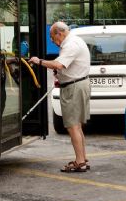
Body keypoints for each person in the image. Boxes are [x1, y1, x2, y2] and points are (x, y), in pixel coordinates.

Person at [29, 21, 91, 173]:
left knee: (72, 126)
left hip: (73, 87)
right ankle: (82, 159)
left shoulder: (71, 44)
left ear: (59, 33)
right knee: (77, 126)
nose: (51, 40)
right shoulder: (74, 41)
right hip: (78, 84)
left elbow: (58, 64)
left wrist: (40, 61)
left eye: (52, 37)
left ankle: (80, 161)